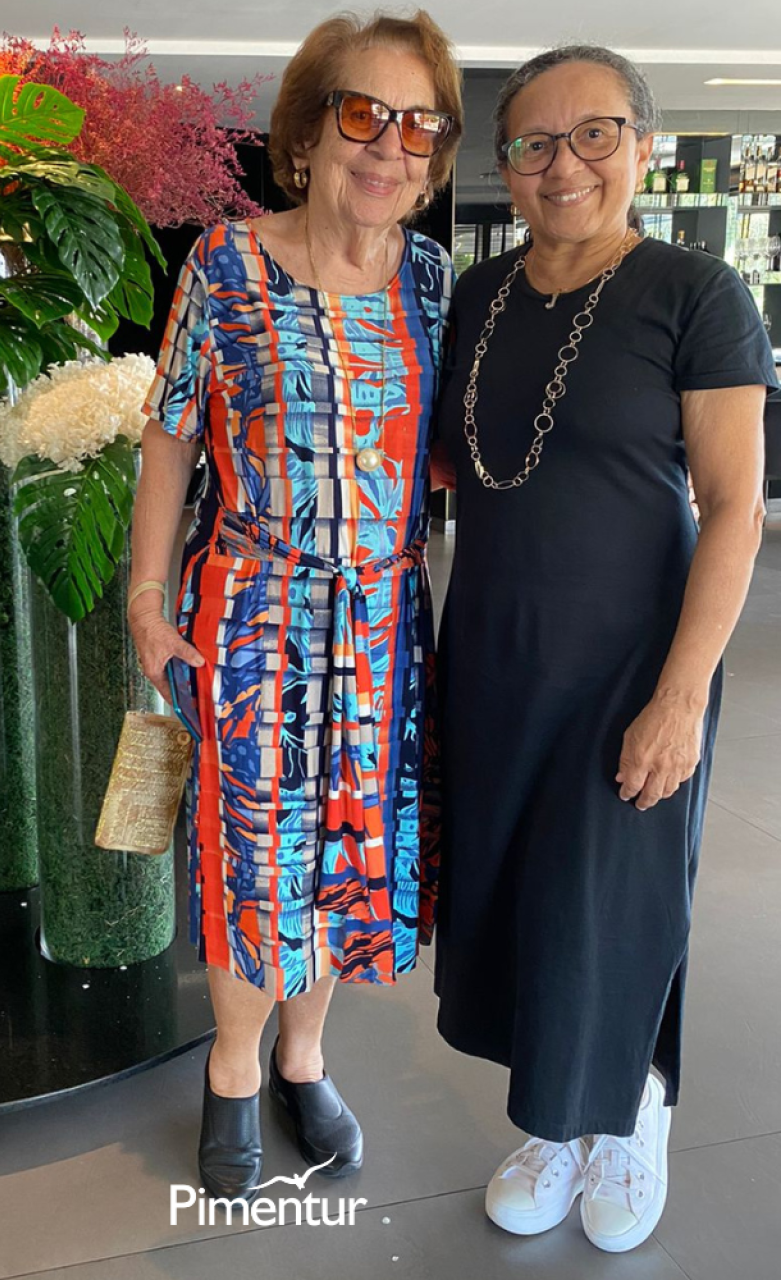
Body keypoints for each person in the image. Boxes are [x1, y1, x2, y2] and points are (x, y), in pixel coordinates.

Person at [433, 45, 778, 1254]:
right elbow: (442, 462)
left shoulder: (695, 292)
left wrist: (680, 696)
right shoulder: (475, 296)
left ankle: (633, 1112)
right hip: (492, 648)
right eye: (532, 142)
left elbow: (732, 508)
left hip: (634, 658)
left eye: (593, 135)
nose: (562, 164)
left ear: (642, 144)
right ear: (505, 162)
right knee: (516, 893)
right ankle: (556, 1119)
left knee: (612, 898)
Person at [128, 11, 461, 1200]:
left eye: (418, 125)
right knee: (252, 853)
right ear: (309, 130)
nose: (388, 146)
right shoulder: (223, 264)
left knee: (347, 854)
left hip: (382, 628)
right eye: (363, 113)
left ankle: (303, 1054)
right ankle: (231, 1062)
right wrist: (146, 596)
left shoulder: (432, 282)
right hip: (251, 616)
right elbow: (170, 436)